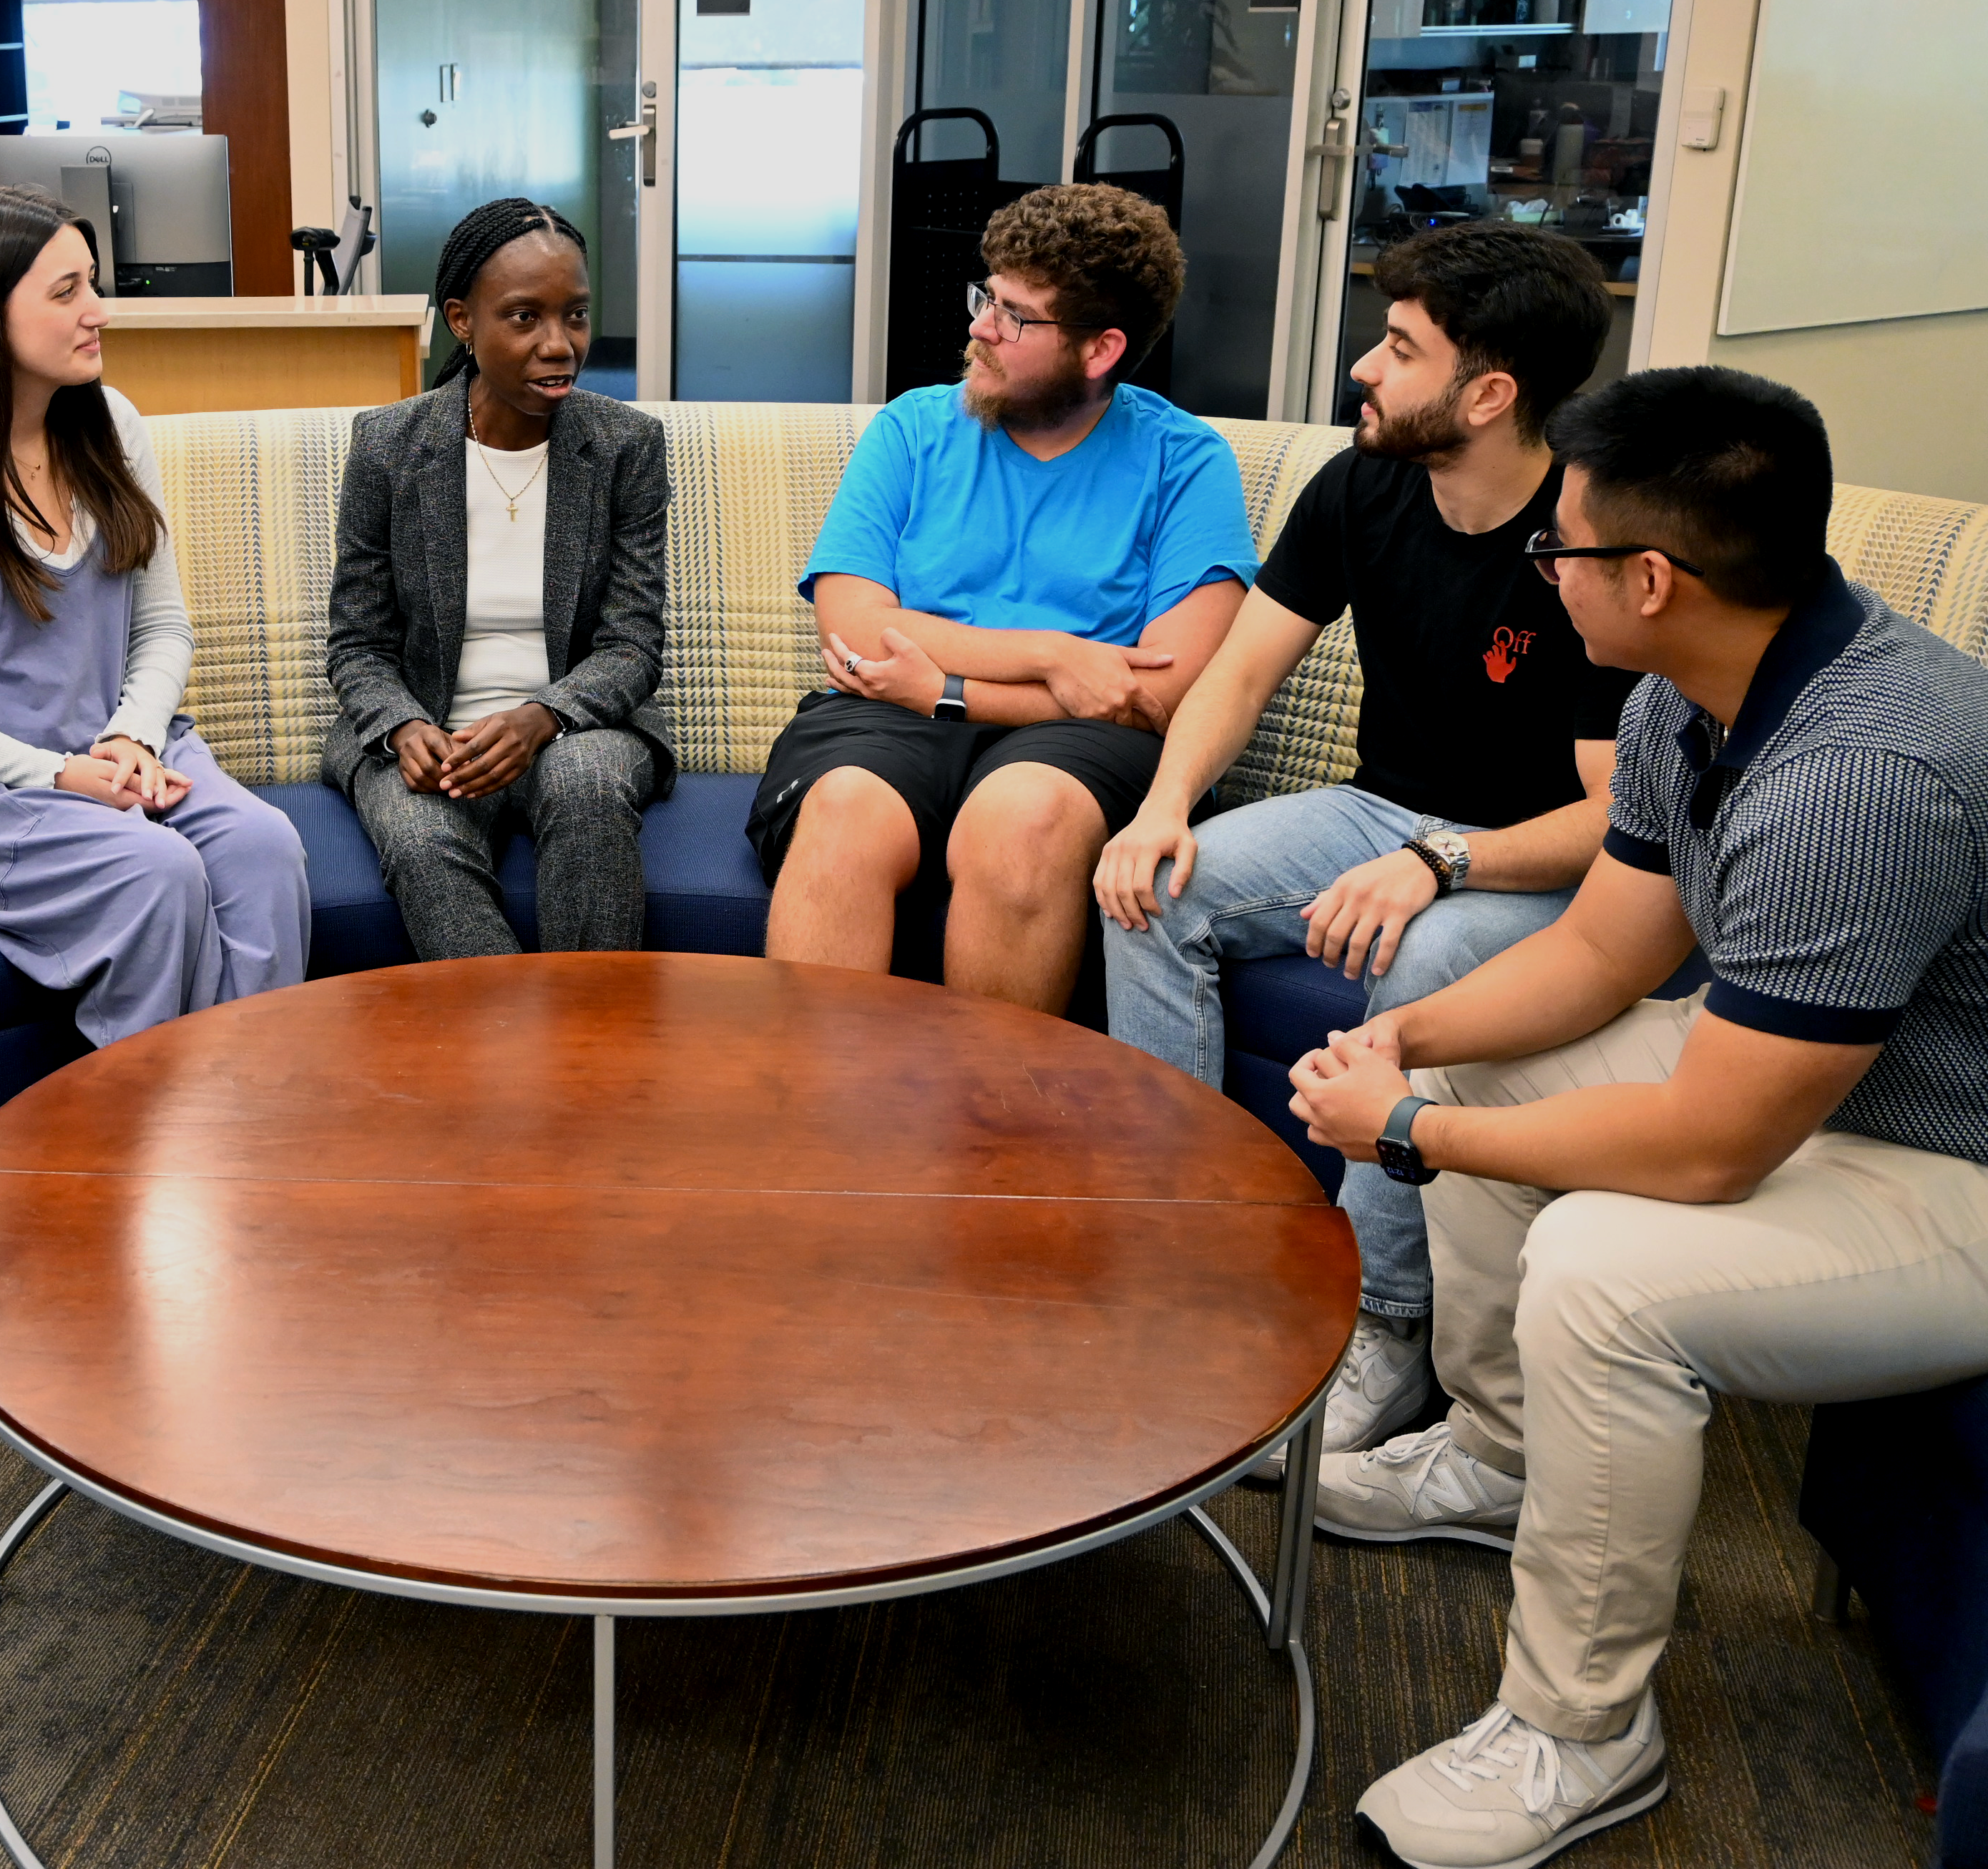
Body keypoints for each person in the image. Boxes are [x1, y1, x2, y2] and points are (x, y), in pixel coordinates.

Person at [1286, 368, 1988, 1868]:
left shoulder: (1866, 773)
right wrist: (1404, 1042)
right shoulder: (1695, 686)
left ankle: (1581, 1733)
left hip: (1951, 1164)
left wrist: (1407, 1132)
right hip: (1810, 1088)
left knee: (1605, 1276)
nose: (1541, 572)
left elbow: (1704, 1148)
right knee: (1476, 1073)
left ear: (1651, 579)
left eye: (1561, 549)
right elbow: (1611, 954)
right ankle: (1499, 1453)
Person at [1093, 223, 1630, 1468]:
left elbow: (1614, 815)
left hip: (1537, 859)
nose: (1361, 370)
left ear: (1489, 394)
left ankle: (1385, 1322)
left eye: (1398, 348)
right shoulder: (1360, 483)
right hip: (1379, 808)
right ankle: (1185, 1234)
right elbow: (1238, 674)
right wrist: (1166, 805)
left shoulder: (1588, 537)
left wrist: (1443, 861)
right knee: (1157, 888)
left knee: (1425, 957)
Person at [751, 182, 1257, 1011]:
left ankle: (994, 1132)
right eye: (988, 296)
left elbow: (1162, 695)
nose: (980, 326)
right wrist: (1056, 656)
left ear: (1099, 351)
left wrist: (948, 688)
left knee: (1022, 818)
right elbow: (856, 630)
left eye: (1015, 316)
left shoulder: (1185, 461)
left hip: (1079, 750)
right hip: (892, 713)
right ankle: (808, 1124)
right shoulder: (912, 428)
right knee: (844, 811)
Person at [0, 183, 308, 1046]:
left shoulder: (112, 425)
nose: (100, 312)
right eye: (66, 293)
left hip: (107, 754)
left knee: (264, 848)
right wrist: (55, 775)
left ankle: (255, 1120)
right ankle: (150, 1143)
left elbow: (163, 629)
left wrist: (133, 737)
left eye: (92, 283)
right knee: (156, 873)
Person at [323, 199, 672, 956]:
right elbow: (357, 642)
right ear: (461, 321)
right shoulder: (389, 447)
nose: (560, 345)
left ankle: (592, 1040)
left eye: (576, 315)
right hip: (430, 729)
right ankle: (506, 1057)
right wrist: (402, 726)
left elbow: (633, 643)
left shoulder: (625, 447)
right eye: (524, 318)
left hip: (578, 728)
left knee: (584, 786)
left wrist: (542, 716)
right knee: (419, 838)